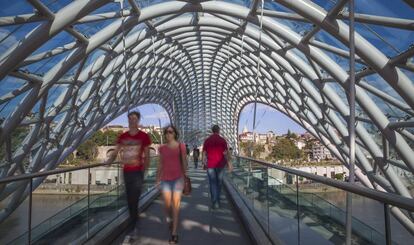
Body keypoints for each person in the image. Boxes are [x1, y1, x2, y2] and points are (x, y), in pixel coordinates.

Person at [107, 111, 151, 237]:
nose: (132, 121)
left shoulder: (144, 136)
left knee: (134, 199)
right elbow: (116, 150)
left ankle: (133, 227)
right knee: (129, 199)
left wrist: (145, 171)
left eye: (134, 118)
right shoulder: (123, 136)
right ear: (128, 120)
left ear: (138, 120)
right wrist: (109, 161)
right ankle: (134, 223)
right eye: (130, 118)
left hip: (138, 172)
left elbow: (147, 155)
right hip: (126, 172)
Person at [156, 125, 188, 244]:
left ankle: (174, 233)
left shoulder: (181, 146)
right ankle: (170, 219)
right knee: (167, 204)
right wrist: (157, 179)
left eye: (170, 132)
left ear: (175, 133)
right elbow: (160, 164)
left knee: (175, 205)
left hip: (178, 179)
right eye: (166, 132)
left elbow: (184, 162)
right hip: (165, 179)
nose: (168, 134)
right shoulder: (162, 148)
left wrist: (185, 176)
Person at [202, 125, 233, 209]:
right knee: (219, 183)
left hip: (210, 165)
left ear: (212, 131)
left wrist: (204, 163)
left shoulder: (207, 140)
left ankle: (214, 201)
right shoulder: (222, 140)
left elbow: (204, 153)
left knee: (212, 183)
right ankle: (217, 200)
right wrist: (229, 164)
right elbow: (226, 153)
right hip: (220, 165)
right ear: (219, 130)